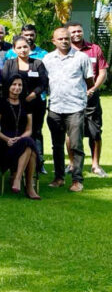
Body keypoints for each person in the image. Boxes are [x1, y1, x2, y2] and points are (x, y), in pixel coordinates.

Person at [43, 27, 93, 192]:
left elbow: (89, 81)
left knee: (76, 145)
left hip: (75, 108)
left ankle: (77, 180)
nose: (64, 41)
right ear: (54, 41)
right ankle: (59, 178)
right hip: (55, 107)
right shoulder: (47, 59)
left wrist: (82, 98)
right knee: (56, 145)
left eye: (67, 38)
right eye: (61, 39)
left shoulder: (81, 57)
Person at [1, 36, 49, 174]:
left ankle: (38, 163)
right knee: (13, 130)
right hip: (13, 104)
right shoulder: (9, 63)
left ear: (29, 48)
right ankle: (11, 162)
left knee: (35, 132)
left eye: (25, 47)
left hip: (34, 104)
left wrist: (32, 95)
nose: (23, 50)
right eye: (19, 47)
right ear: (14, 50)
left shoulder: (37, 63)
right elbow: (4, 82)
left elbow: (43, 83)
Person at [67, 21, 108, 177]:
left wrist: (93, 88)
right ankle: (71, 164)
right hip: (71, 98)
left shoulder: (94, 49)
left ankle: (95, 165)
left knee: (95, 132)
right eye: (73, 32)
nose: (76, 34)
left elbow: (102, 71)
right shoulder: (66, 51)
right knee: (71, 133)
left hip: (91, 98)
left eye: (79, 31)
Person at [0, 74, 40, 199]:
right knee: (31, 149)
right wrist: (7, 139)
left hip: (22, 139)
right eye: (14, 84)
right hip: (6, 145)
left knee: (28, 143)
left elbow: (29, 129)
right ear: (8, 86)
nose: (17, 87)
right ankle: (29, 187)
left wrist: (21, 138)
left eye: (20, 85)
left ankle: (18, 178)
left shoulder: (26, 103)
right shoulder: (0, 103)